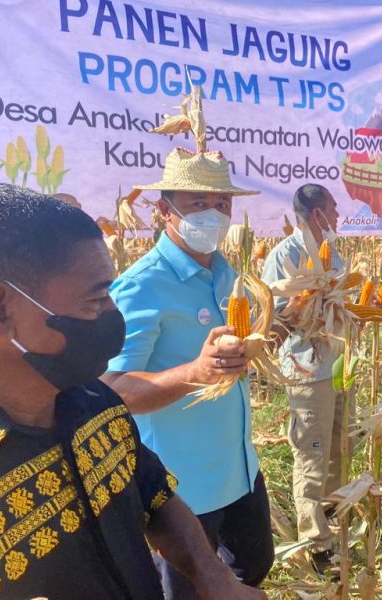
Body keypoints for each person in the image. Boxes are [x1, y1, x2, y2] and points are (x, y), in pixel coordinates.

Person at [0, 184, 265, 600]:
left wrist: (211, 576)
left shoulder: (95, 404)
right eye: (95, 302)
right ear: (0, 311)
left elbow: (154, 493)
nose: (113, 318)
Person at [102, 131, 275, 595]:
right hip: (181, 490)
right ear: (164, 211)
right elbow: (112, 391)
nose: (213, 214)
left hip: (240, 469)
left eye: (221, 203)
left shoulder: (230, 275)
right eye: (197, 202)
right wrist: (196, 373)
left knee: (253, 568)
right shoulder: (141, 287)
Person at [261, 184, 345, 574]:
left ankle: (333, 517)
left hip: (338, 367)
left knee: (337, 448)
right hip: (307, 372)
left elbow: (341, 303)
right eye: (333, 208)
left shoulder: (332, 252)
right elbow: (273, 318)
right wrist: (307, 303)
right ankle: (317, 544)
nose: (339, 215)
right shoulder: (284, 256)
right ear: (317, 215)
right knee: (311, 455)